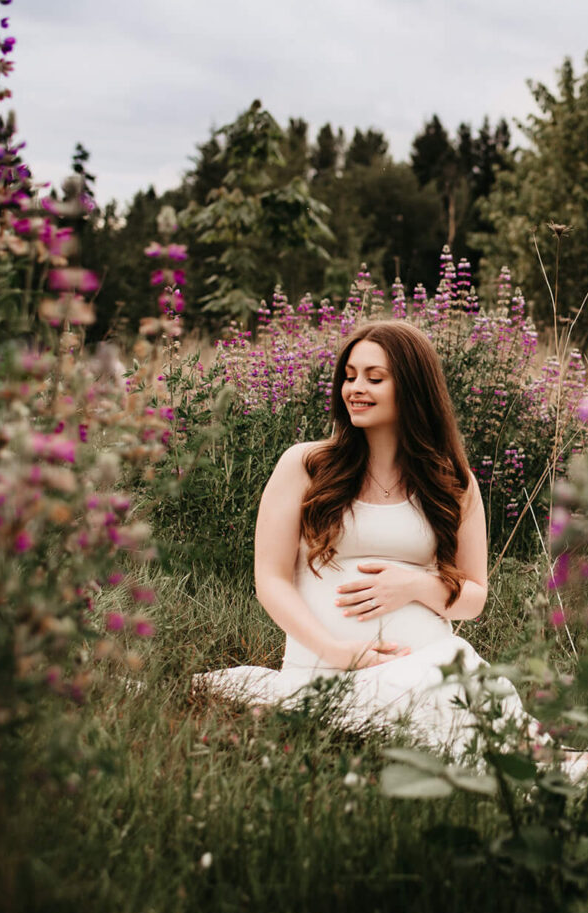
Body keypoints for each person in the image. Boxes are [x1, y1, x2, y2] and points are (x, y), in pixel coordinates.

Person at [194, 320, 541, 763]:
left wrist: (414, 585)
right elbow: (271, 579)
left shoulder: (454, 482)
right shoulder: (304, 465)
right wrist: (337, 652)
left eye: (374, 378)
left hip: (433, 662)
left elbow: (473, 599)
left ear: (413, 388)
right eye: (350, 376)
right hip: (325, 667)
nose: (355, 388)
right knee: (461, 742)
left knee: (484, 727)